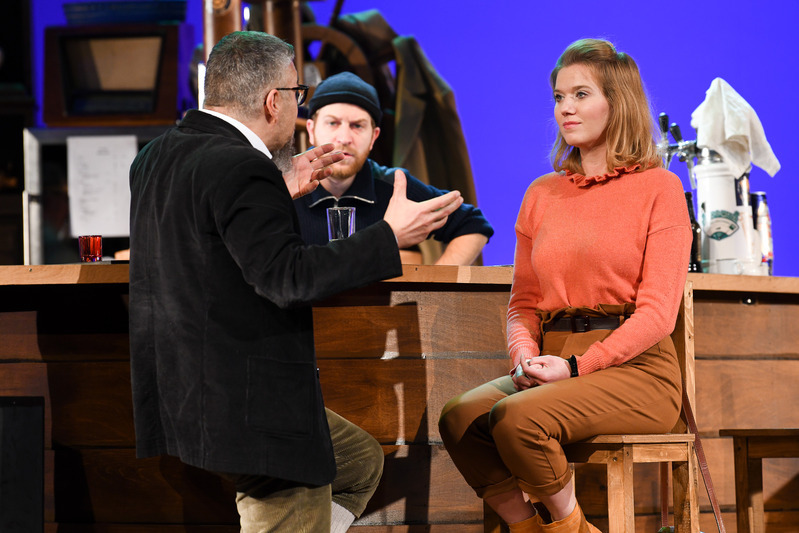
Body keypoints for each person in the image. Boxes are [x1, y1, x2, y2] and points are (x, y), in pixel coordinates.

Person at [128, 31, 464, 533]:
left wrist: (276, 190)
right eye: (297, 93)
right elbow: (289, 280)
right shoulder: (241, 166)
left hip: (182, 392)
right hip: (250, 406)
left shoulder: (157, 155)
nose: (298, 105)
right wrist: (388, 236)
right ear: (272, 101)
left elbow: (210, 237)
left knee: (357, 462)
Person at [437, 38, 692, 533]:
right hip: (554, 365)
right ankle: (531, 527)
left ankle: (570, 527)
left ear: (617, 103)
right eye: (558, 97)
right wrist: (523, 357)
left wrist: (578, 366)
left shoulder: (658, 188)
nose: (565, 109)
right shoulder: (541, 194)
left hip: (637, 371)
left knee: (517, 419)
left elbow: (659, 313)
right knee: (460, 417)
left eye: (580, 94)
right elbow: (523, 303)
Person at [294, 71, 494, 265]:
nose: (345, 138)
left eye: (357, 126)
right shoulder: (285, 186)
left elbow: (473, 224)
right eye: (333, 123)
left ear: (374, 137)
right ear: (311, 130)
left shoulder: (394, 187)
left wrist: (436, 283)